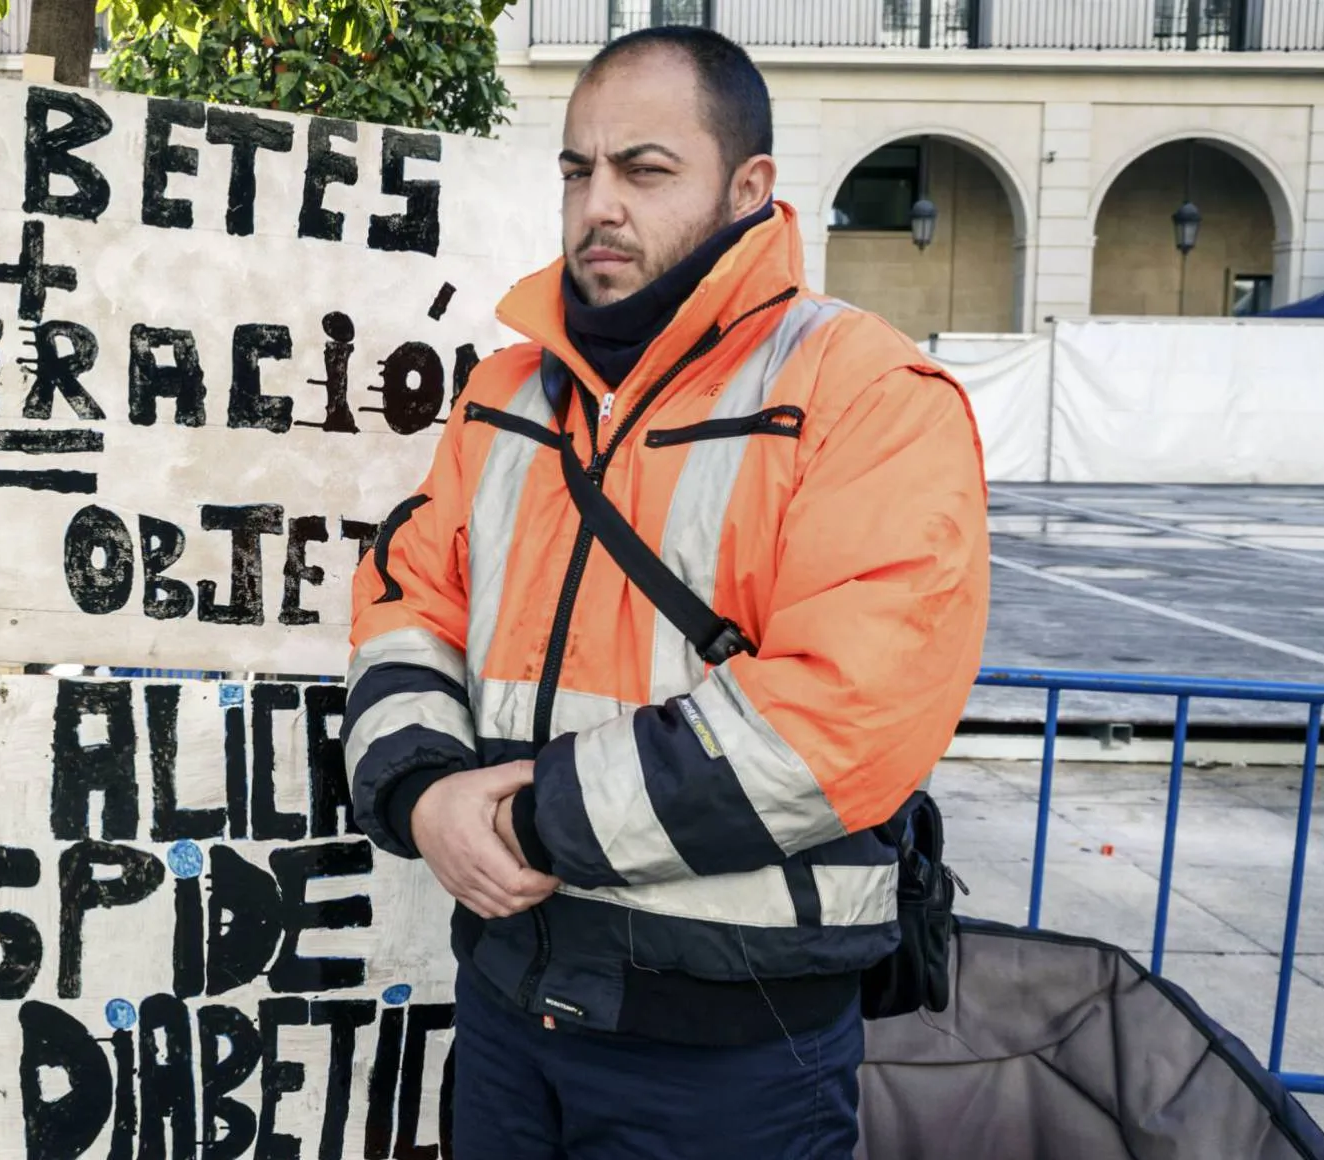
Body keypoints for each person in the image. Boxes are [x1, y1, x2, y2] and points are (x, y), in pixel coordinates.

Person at [343, 24, 991, 1160]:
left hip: (731, 1052)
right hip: (508, 1004)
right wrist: (420, 792)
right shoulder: (505, 391)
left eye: (644, 170)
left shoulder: (866, 391)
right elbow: (406, 599)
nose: (599, 203)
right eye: (576, 169)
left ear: (748, 188)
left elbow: (845, 714)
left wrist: (521, 818)